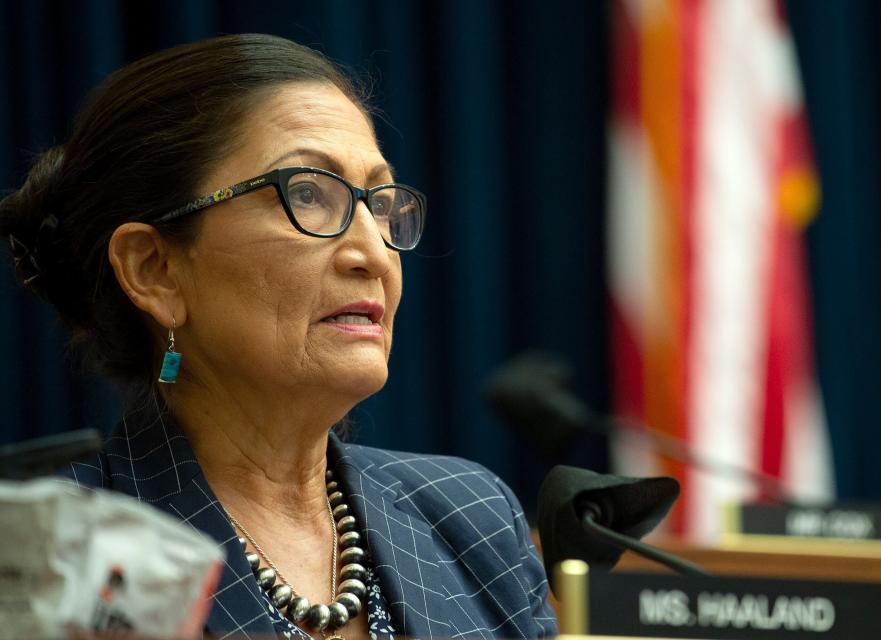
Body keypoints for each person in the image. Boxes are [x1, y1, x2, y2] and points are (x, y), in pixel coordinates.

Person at [0, 34, 556, 640]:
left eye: (379, 201)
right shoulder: (52, 554)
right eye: (308, 194)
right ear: (153, 269)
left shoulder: (471, 517)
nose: (373, 252)